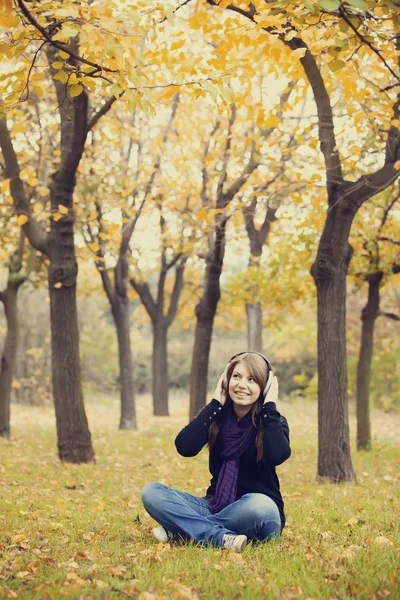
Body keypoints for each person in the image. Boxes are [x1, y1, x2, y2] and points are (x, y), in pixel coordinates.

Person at [141, 351, 291, 553]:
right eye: (236, 376)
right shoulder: (216, 419)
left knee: (260, 503)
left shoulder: (273, 421)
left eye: (252, 380)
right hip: (215, 505)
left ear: (265, 387)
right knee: (152, 492)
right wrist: (215, 404)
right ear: (226, 380)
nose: (242, 385)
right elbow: (184, 447)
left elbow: (277, 455)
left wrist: (269, 405)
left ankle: (182, 531)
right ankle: (220, 537)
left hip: (258, 513)